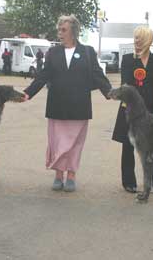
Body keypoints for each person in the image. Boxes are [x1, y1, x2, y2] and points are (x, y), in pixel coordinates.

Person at [23, 15, 111, 192]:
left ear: (73, 31)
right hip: (57, 106)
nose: (60, 33)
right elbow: (43, 75)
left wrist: (110, 92)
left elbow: (97, 74)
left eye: (63, 30)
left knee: (75, 144)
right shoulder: (53, 52)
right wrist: (28, 93)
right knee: (57, 143)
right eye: (59, 30)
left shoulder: (87, 51)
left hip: (79, 107)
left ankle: (71, 175)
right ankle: (58, 175)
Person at [112, 26, 153, 193]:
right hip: (130, 110)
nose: (136, 41)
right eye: (135, 38)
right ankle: (128, 181)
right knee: (128, 146)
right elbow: (126, 85)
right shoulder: (128, 59)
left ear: (147, 41)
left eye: (139, 38)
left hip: (151, 109)